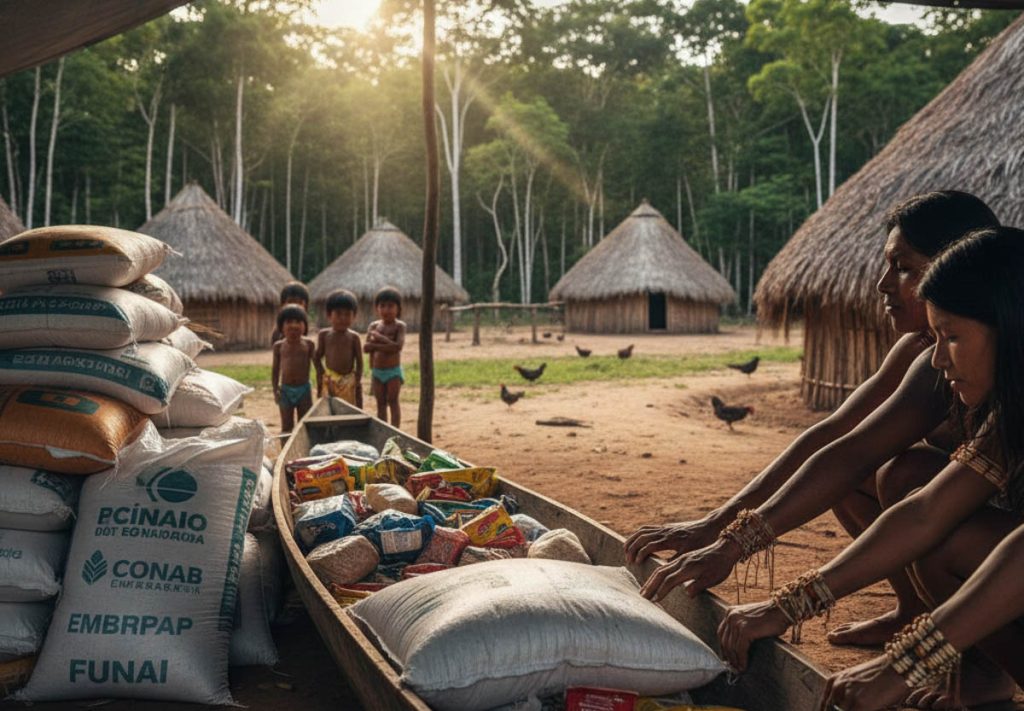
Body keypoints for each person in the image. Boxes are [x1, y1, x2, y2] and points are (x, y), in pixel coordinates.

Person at [627, 191, 1000, 647]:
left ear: (957, 269)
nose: (883, 284)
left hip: (994, 535)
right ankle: (916, 610)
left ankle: (969, 654)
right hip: (974, 511)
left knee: (904, 477)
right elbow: (836, 440)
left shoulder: (968, 366)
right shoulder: (922, 352)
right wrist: (718, 528)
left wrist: (765, 581)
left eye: (903, 268)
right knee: (879, 474)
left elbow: (887, 481)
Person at [717, 227, 1024, 710]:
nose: (939, 359)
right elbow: (925, 512)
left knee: (955, 542)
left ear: (1009, 327)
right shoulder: (1009, 406)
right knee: (931, 522)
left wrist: (906, 663)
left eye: (952, 337)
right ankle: (979, 671)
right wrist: (788, 606)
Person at [272, 305, 320, 434]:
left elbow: (318, 368)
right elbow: (275, 371)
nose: (294, 326)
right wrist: (275, 390)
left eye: (298, 321)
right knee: (286, 426)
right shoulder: (278, 346)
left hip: (304, 390)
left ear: (305, 326)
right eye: (289, 322)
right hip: (285, 391)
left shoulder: (309, 344)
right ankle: (286, 446)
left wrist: (320, 388)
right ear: (281, 327)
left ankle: (303, 446)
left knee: (304, 425)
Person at [364, 286, 406, 427]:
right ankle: (384, 430)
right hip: (377, 371)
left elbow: (398, 347)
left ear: (398, 309)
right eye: (382, 306)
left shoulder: (399, 326)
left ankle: (395, 431)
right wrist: (385, 344)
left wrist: (379, 339)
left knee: (393, 402)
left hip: (393, 371)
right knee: (380, 403)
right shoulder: (373, 326)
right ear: (377, 308)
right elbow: (366, 348)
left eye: (390, 306)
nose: (386, 310)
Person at [315, 289, 364, 408]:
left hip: (348, 379)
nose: (343, 318)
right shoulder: (324, 335)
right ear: (329, 315)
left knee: (351, 408)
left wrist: (357, 380)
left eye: (347, 314)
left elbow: (360, 361)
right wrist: (321, 373)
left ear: (354, 316)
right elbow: (316, 357)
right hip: (330, 379)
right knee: (329, 407)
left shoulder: (354, 337)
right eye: (338, 314)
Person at [270, 281, 310, 345]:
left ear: (306, 306)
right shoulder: (279, 331)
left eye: (299, 303)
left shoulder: (304, 326)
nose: (294, 306)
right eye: (290, 302)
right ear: (282, 305)